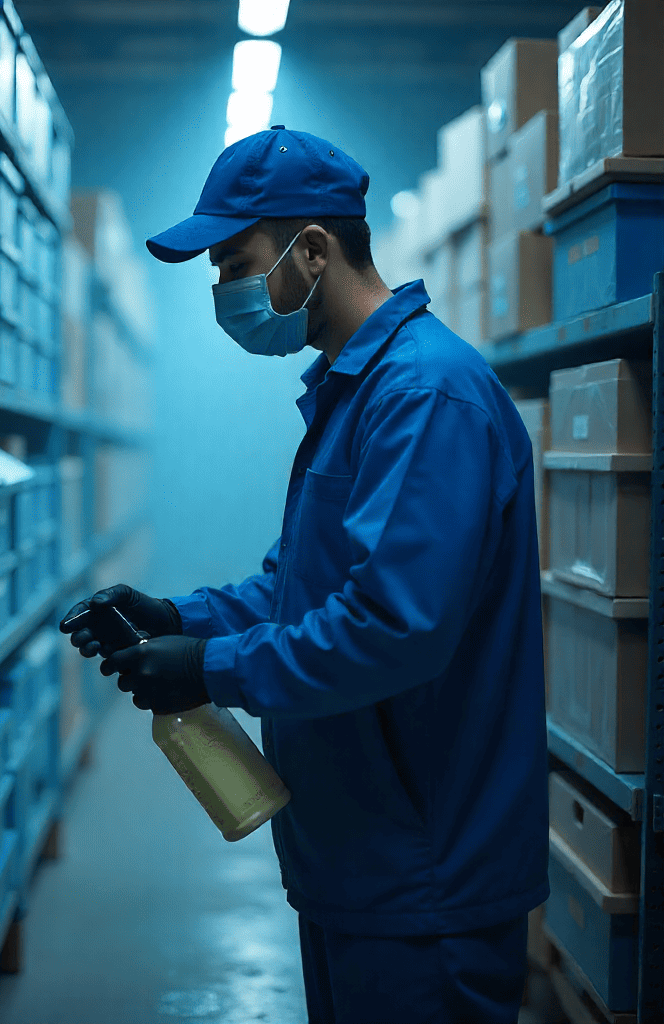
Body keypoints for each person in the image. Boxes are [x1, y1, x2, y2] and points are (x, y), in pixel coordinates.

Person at [60, 126, 548, 1024]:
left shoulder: (424, 397)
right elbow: (301, 589)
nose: (225, 292)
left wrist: (209, 670)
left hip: (424, 874)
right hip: (360, 857)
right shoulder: (356, 391)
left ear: (313, 250)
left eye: (235, 264)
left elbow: (393, 626)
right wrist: (180, 618)